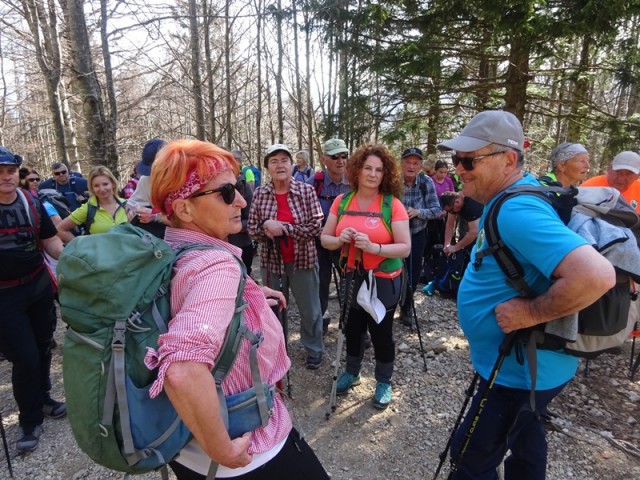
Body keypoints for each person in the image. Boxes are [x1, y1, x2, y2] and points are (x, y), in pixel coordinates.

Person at [437, 110, 615, 480]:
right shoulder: (515, 196)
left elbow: (597, 275)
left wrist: (530, 313)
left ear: (509, 159)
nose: (459, 169)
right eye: (456, 160)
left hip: (516, 373)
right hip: (529, 367)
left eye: (469, 160)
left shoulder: (515, 208)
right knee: (527, 446)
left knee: (470, 460)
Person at [144, 139, 329, 480]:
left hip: (186, 450)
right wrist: (222, 449)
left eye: (239, 188)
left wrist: (249, 294)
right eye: (226, 193)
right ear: (184, 209)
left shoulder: (168, 249)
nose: (241, 200)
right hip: (247, 449)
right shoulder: (216, 266)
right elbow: (182, 370)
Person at [320, 143, 410, 410]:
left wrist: (375, 248)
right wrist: (339, 239)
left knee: (381, 332)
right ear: (357, 170)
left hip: (383, 280)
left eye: (379, 170)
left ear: (386, 174)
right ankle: (352, 372)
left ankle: (383, 381)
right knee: (352, 328)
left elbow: (405, 247)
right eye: (368, 168)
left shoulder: (392, 205)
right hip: (351, 275)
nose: (372, 174)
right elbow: (325, 239)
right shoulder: (342, 201)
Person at [0, 146, 65, 453]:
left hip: (37, 285)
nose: (6, 177)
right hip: (4, 295)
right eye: (0, 172)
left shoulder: (32, 202)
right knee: (24, 356)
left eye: (10, 171)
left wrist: (72, 265)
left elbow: (50, 241)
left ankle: (45, 397)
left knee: (42, 345)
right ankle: (30, 419)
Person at [248, 144, 325, 369]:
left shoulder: (306, 191)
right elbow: (252, 229)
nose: (280, 165)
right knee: (275, 308)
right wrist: (265, 225)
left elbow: (315, 227)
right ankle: (277, 348)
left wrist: (284, 228)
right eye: (274, 161)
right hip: (272, 262)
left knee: (310, 309)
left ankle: (314, 348)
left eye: (284, 160)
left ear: (291, 165)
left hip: (303, 261)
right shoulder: (261, 194)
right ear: (267, 168)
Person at [309, 138, 351, 332]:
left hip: (347, 244)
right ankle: (320, 324)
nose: (340, 161)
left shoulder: (354, 183)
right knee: (320, 285)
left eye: (344, 156)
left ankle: (353, 325)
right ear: (324, 159)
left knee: (350, 284)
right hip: (320, 243)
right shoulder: (314, 183)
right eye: (335, 157)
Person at [398, 147, 442, 327]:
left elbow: (437, 210)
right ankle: (389, 304)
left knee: (414, 272)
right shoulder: (392, 181)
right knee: (391, 271)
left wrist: (418, 212)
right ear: (401, 164)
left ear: (420, 166)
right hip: (393, 235)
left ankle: (407, 307)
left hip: (417, 233)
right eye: (408, 162)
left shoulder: (426, 182)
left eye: (415, 163)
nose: (411, 166)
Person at [423, 190, 481, 296]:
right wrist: (447, 244)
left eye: (452, 210)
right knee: (460, 254)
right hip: (471, 224)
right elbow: (450, 225)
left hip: (482, 224)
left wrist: (456, 247)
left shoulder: (471, 205)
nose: (452, 212)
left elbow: (474, 232)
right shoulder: (453, 203)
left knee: (471, 252)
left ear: (457, 203)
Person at [56, 165, 127, 242]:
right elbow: (60, 229)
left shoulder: (127, 205)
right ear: (92, 188)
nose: (102, 189)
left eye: (105, 184)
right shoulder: (88, 209)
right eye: (96, 186)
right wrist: (81, 247)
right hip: (100, 254)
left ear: (113, 184)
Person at [127, 138, 169, 237]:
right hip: (159, 238)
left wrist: (156, 216)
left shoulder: (187, 180)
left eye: (156, 169)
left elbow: (189, 221)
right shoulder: (146, 180)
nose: (153, 174)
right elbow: (131, 203)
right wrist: (131, 211)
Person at [228, 152, 256, 276]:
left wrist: (231, 227)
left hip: (242, 246)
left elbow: (251, 220)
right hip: (219, 247)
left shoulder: (244, 186)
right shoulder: (211, 187)